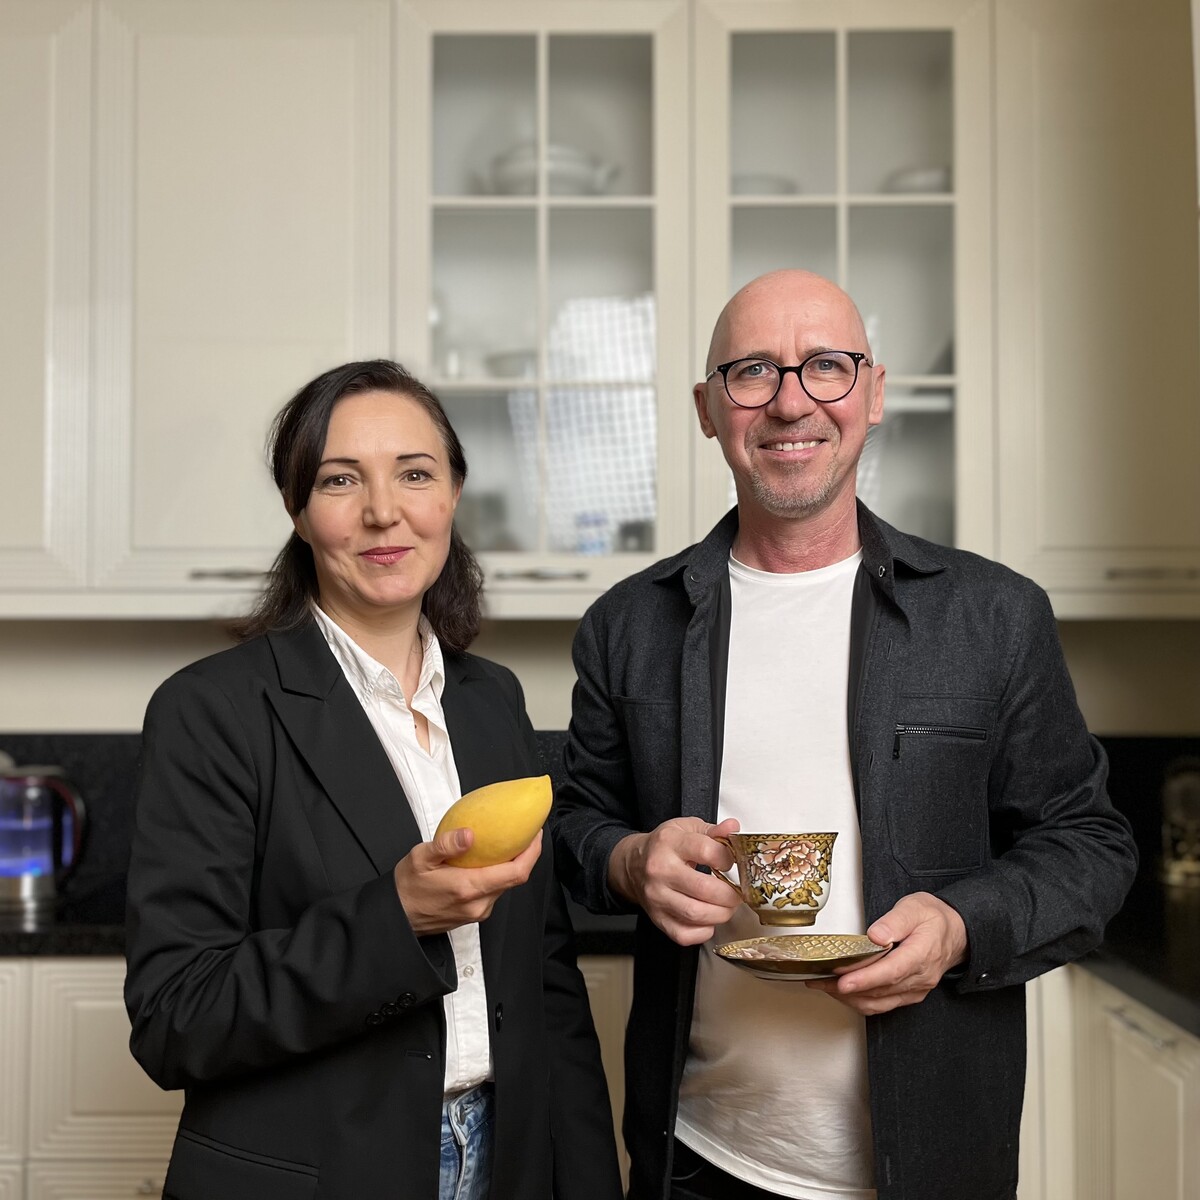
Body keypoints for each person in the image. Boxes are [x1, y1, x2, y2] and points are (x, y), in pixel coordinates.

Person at [551, 270, 1138, 1200]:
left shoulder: (994, 617)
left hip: (939, 1168)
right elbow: (575, 825)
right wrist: (628, 861)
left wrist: (959, 927)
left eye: (826, 365)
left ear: (872, 392)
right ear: (707, 408)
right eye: (752, 372)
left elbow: (1091, 846)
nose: (791, 402)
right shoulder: (629, 626)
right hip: (699, 1159)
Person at [124, 359, 623, 1200]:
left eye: (415, 474)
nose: (383, 510)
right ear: (298, 509)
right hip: (320, 1174)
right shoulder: (211, 711)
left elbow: (545, 980)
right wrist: (396, 917)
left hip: (509, 1160)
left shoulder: (492, 701)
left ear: (453, 494)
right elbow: (175, 1017)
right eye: (340, 479)